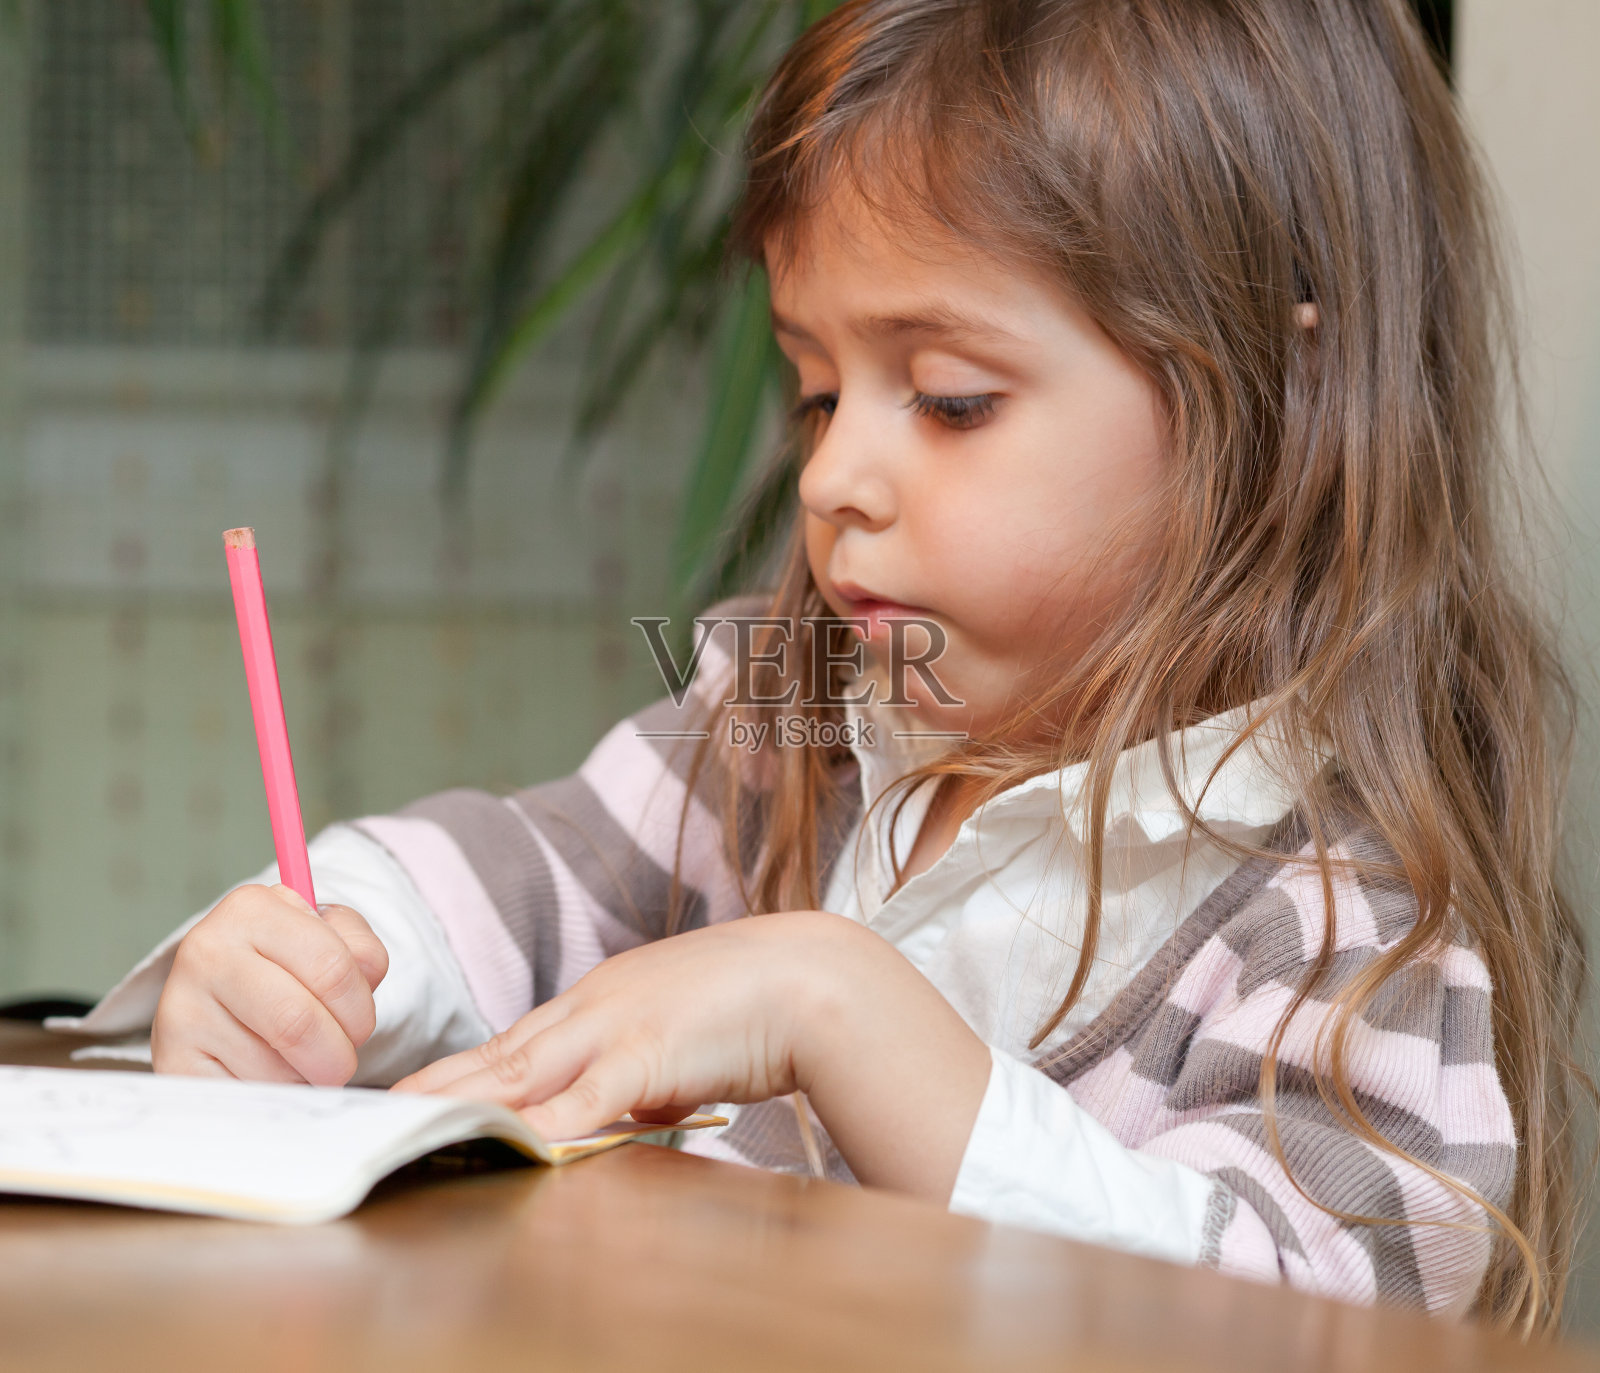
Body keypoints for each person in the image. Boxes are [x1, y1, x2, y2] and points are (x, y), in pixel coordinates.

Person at [131, 0, 1586, 1333]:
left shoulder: (1349, 922)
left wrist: (838, 1002)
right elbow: (520, 876)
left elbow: (1302, 1324)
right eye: (817, 387)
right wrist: (323, 955)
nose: (834, 474)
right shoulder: (796, 728)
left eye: (951, 400)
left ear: (1279, 386)